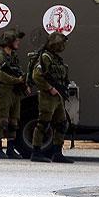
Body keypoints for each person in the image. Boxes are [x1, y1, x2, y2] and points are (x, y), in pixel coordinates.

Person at [31, 32, 74, 164]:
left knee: (62, 124)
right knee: (43, 123)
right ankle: (36, 152)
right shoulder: (45, 57)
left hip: (58, 96)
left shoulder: (56, 58)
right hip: (47, 96)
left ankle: (57, 153)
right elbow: (36, 76)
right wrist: (50, 88)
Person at [0, 29, 27, 159]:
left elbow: (18, 72)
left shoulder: (13, 57)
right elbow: (0, 76)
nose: (18, 43)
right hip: (4, 93)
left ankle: (10, 148)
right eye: (16, 40)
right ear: (9, 42)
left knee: (13, 121)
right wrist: (18, 81)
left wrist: (24, 83)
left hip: (14, 93)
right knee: (2, 121)